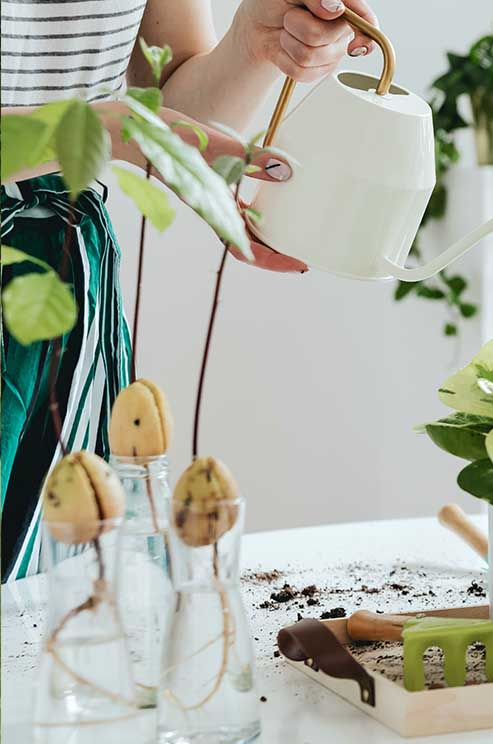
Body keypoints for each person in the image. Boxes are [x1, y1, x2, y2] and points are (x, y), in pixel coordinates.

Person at [1, 0, 376, 581]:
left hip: (59, 279)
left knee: (51, 615)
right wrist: (101, 131)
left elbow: (170, 105)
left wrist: (254, 43)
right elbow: (128, 129)